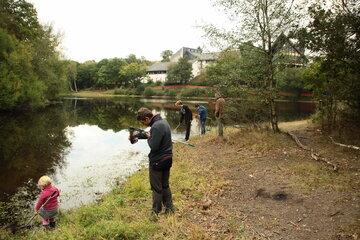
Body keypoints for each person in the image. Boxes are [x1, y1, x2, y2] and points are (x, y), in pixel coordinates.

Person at [136, 107, 174, 216]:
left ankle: (156, 212)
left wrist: (148, 137)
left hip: (157, 161)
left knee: (156, 188)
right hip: (167, 159)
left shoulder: (156, 126)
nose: (144, 124)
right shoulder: (163, 122)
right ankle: (170, 209)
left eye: (143, 122)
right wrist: (148, 135)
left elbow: (154, 146)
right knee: (165, 185)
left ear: (147, 118)